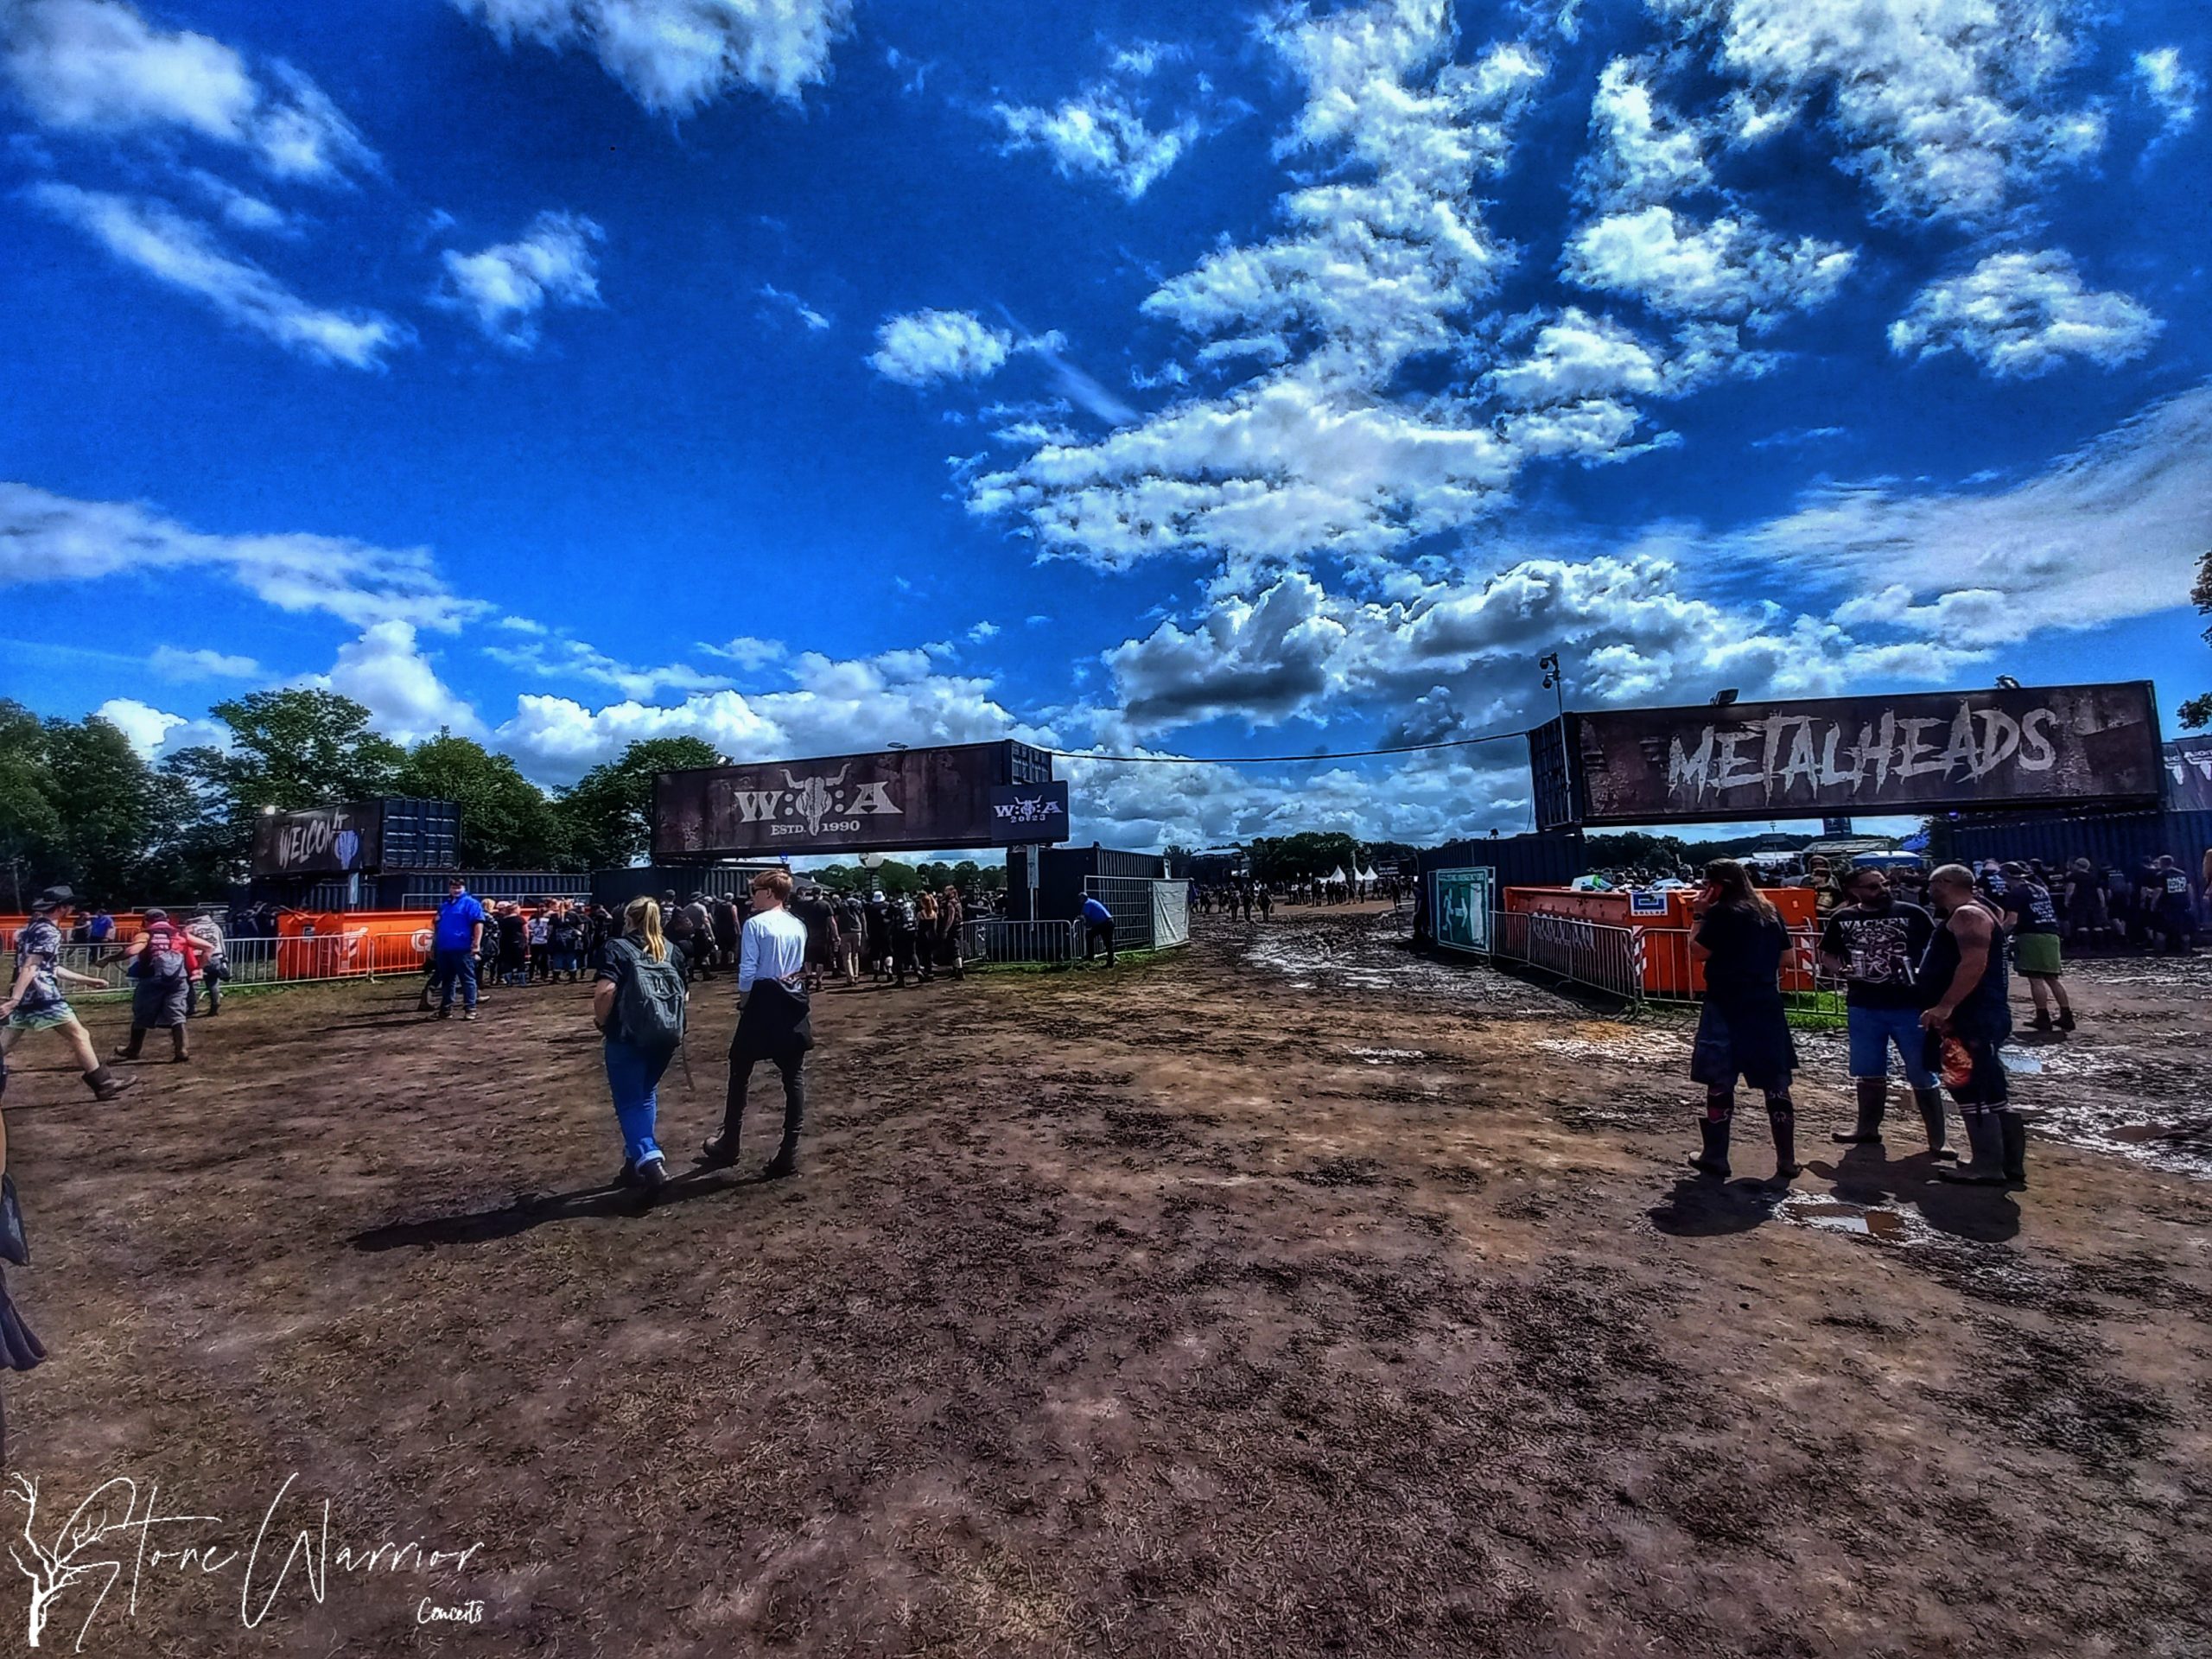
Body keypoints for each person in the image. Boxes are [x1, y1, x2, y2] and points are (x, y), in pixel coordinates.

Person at [1819, 867, 1948, 1158]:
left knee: (1923, 1072)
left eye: (1885, 883)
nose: (1884, 889)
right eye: (1874, 887)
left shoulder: (1914, 913)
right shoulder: (1843, 918)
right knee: (1868, 1071)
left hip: (1910, 1005)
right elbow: (1827, 953)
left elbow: (1937, 951)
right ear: (1855, 892)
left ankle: (1938, 1140)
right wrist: (1842, 970)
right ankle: (1867, 1128)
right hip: (1864, 1005)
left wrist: (1934, 988)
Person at [1685, 860, 1800, 1186]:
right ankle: (1787, 1159)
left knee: (1720, 1078)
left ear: (1717, 885)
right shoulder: (1769, 911)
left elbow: (1697, 952)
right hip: (1765, 1003)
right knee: (1776, 1080)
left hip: (1725, 1002)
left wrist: (1698, 914)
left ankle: (1716, 1156)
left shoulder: (1721, 913)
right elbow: (1787, 959)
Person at [702, 870, 812, 1179]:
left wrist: (744, 1001)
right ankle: (788, 1150)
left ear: (769, 892)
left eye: (755, 889)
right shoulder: (797, 925)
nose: (752, 894)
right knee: (793, 1077)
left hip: (762, 998)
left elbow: (748, 969)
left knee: (739, 1070)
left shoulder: (755, 924)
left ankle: (730, 1142)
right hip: (791, 998)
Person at [1921, 864, 2021, 1187]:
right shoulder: (1978, 910)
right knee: (1986, 1085)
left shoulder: (1967, 914)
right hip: (1975, 1014)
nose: (1928, 889)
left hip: (1970, 1016)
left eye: (1932, 884)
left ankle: (1987, 1164)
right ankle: (2005, 1162)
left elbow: (1973, 963)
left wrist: (1946, 1005)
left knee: (1970, 1087)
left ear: (1945, 883)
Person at [0, 890, 135, 1128]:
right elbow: (32, 967)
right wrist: (15, 999)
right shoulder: (49, 931)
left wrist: (87, 980)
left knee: (5, 1043)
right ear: (63, 907)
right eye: (70, 906)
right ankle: (103, 1084)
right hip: (42, 996)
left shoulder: (32, 928)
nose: (72, 910)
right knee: (79, 1035)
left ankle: (104, 1084)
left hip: (28, 994)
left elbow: (48, 967)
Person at [593, 897, 686, 1195]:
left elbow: (605, 991)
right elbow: (684, 996)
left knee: (629, 1101)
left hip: (626, 1035)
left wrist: (601, 1022)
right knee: (645, 1095)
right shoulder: (672, 950)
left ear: (629, 919)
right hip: (665, 1036)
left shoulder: (617, 948)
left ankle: (650, 1160)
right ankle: (633, 1162)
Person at [112, 907, 200, 1064]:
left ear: (146, 920)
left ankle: (133, 1049)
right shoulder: (180, 934)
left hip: (152, 977)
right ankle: (181, 1050)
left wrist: (110, 959)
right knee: (177, 1013)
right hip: (178, 978)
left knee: (141, 1011)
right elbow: (208, 947)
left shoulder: (146, 934)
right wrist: (200, 968)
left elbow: (134, 950)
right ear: (165, 919)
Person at [1998, 861, 2073, 1033]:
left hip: (2032, 936)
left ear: (2007, 877)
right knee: (2052, 978)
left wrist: (1997, 934)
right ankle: (2066, 1015)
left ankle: (2043, 1017)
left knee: (2035, 978)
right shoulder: (2039, 889)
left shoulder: (2016, 893)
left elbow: (2011, 921)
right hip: (2051, 934)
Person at [430, 877, 486, 1020]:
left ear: (464, 887)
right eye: (453, 887)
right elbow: (437, 926)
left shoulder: (471, 903)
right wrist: (434, 946)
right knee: (447, 980)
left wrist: (476, 944)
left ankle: (470, 1008)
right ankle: (446, 1009)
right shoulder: (445, 905)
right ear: (449, 888)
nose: (456, 889)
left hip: (463, 947)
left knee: (467, 979)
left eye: (459, 886)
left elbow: (478, 924)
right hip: (444, 947)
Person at [184, 909, 228, 1015]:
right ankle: (215, 1005)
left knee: (191, 983)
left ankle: (192, 1007)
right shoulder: (215, 926)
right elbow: (221, 942)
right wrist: (224, 958)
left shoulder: (191, 928)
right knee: (213, 983)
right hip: (216, 956)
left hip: (197, 958)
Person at [2150, 855, 2196, 954]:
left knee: (2161, 930)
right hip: (2182, 906)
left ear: (2162, 863)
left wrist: (2153, 904)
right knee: (2184, 930)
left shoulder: (2161, 875)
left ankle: (2160, 952)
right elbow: (2189, 889)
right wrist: (2191, 902)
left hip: (2166, 906)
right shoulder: (2182, 874)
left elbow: (2158, 891)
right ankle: (2186, 950)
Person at [1082, 893, 1116, 966]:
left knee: (1089, 935)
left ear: (1083, 898)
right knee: (1108, 943)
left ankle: (1091, 956)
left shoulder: (1087, 903)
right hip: (1108, 921)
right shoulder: (1093, 901)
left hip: (1103, 924)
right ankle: (1110, 960)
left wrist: (1084, 922)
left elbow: (1085, 915)